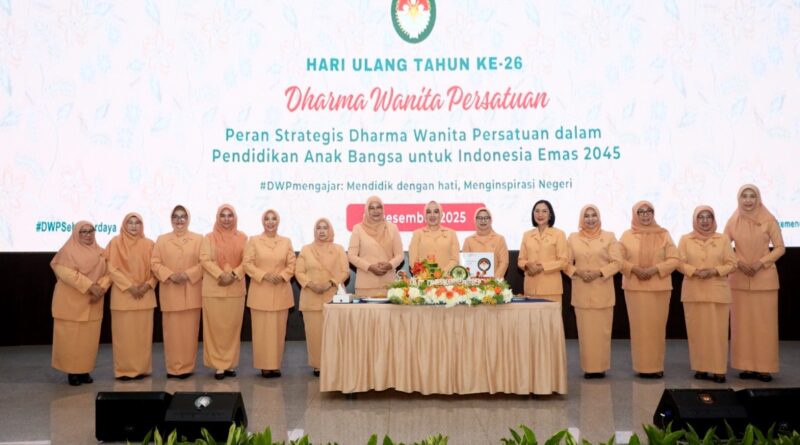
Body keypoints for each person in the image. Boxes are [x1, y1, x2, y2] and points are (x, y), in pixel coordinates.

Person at [724, 184, 785, 382]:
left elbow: (780, 248)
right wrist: (738, 263)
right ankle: (746, 366)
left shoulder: (769, 220)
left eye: (752, 196)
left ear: (758, 198)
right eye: (744, 196)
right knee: (742, 325)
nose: (748, 200)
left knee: (764, 326)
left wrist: (761, 263)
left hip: (765, 280)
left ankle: (765, 368)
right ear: (739, 199)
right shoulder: (733, 221)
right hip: (739, 279)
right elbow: (723, 247)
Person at [619, 201, 679, 378]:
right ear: (635, 214)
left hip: (659, 288)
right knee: (639, 329)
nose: (645, 215)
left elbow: (674, 259)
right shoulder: (627, 235)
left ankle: (656, 366)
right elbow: (617, 259)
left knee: (656, 328)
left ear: (653, 213)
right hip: (635, 289)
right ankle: (642, 367)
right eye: (641, 212)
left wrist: (655, 269)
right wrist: (634, 269)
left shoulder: (664, 234)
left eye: (648, 211)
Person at [678, 206, 737, 383]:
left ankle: (719, 370)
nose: (704, 221)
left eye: (708, 217)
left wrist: (714, 271)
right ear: (695, 220)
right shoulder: (685, 239)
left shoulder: (723, 239)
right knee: (697, 333)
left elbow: (732, 263)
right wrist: (694, 271)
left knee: (717, 334)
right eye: (701, 217)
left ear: (713, 219)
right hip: (693, 291)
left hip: (717, 292)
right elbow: (678, 262)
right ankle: (701, 368)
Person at [50, 221, 111, 386]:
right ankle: (72, 372)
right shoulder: (67, 252)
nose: (88, 235)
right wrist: (90, 286)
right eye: (83, 232)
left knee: (88, 341)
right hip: (71, 303)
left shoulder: (102, 252)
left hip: (93, 302)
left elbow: (109, 273)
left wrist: (101, 289)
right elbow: (66, 273)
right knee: (71, 341)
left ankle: (85, 370)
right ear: (76, 234)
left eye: (91, 231)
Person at [565, 205, 621, 379]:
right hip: (581, 291)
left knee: (602, 333)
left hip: (602, 290)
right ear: (582, 218)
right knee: (586, 333)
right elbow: (565, 263)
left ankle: (601, 367)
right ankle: (589, 368)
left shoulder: (609, 236)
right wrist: (578, 272)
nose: (590, 219)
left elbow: (617, 262)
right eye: (587, 216)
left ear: (599, 217)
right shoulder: (573, 238)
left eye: (594, 215)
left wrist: (599, 272)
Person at [151, 205, 203, 379]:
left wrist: (187, 274)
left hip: (191, 292)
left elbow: (204, 263)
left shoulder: (199, 239)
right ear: (171, 219)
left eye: (183, 216)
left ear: (188, 219)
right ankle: (173, 368)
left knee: (190, 333)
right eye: (176, 216)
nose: (179, 220)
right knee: (172, 334)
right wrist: (170, 275)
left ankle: (187, 368)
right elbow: (155, 263)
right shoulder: (162, 240)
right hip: (171, 291)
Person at [243, 209, 296, 378]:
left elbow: (292, 264)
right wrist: (264, 275)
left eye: (273, 219)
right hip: (261, 291)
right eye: (267, 219)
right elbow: (247, 264)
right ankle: (264, 366)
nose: (270, 222)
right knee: (262, 332)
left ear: (278, 222)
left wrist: (282, 276)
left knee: (278, 332)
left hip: (281, 291)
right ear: (263, 222)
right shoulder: (254, 241)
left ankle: (275, 365)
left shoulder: (286, 241)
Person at [106, 212, 157, 380]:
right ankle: (124, 370)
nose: (134, 226)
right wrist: (130, 287)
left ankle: (142, 369)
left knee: (143, 336)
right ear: (124, 224)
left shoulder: (150, 244)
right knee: (124, 337)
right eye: (130, 222)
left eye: (137, 223)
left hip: (145, 296)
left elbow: (156, 268)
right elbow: (110, 268)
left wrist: (147, 285)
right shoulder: (115, 243)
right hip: (123, 297)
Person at [296, 218, 349, 376]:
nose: (322, 231)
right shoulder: (306, 249)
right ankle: (318, 365)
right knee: (314, 334)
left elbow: (345, 271)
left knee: (334, 333)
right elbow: (299, 272)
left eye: (325, 227)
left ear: (330, 230)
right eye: (318, 228)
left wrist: (330, 283)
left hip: (332, 296)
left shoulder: (338, 249)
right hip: (310, 296)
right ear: (315, 231)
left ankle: (334, 364)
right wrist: (311, 284)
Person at [200, 204, 247, 380]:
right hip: (214, 288)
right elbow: (204, 259)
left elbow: (247, 260)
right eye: (223, 215)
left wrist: (233, 275)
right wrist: (221, 274)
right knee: (215, 329)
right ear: (217, 217)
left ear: (234, 217)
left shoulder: (243, 237)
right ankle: (218, 366)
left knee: (232, 329)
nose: (226, 219)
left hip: (235, 289)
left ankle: (230, 364)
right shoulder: (208, 237)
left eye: (229, 215)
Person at [347, 196, 404, 296]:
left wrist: (390, 265)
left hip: (389, 286)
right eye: (371, 208)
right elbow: (351, 256)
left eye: (378, 207)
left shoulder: (392, 228)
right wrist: (369, 267)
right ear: (367, 210)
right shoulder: (358, 229)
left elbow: (400, 255)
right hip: (365, 286)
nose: (375, 211)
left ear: (382, 209)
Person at [517, 200, 568, 301]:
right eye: (537, 211)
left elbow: (563, 262)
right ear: (533, 214)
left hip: (551, 290)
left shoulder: (559, 234)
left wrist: (541, 267)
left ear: (550, 215)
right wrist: (527, 265)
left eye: (544, 211)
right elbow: (520, 260)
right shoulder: (527, 235)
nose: (540, 214)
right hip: (530, 289)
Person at [408, 201, 460, 274]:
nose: (432, 215)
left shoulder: (451, 234)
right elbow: (413, 261)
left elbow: (455, 259)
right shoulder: (417, 234)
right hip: (423, 278)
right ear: (425, 215)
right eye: (429, 212)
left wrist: (441, 273)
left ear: (441, 215)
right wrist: (426, 275)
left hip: (446, 278)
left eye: (436, 212)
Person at [462, 207, 509, 279]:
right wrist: (474, 281)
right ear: (475, 220)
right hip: (474, 283)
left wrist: (494, 280)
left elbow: (504, 262)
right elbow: (466, 264)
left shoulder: (499, 239)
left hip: (495, 283)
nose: (483, 221)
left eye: (486, 218)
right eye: (480, 218)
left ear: (491, 220)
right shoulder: (468, 241)